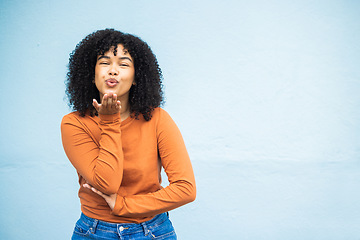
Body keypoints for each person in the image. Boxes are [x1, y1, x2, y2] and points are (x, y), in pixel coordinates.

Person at [61, 29, 196, 240]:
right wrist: (109, 121)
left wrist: (125, 205)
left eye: (123, 64)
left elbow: (186, 188)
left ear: (135, 78)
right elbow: (108, 183)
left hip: (152, 231)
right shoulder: (74, 123)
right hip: (95, 232)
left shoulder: (158, 119)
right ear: (92, 73)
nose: (113, 70)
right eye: (104, 63)